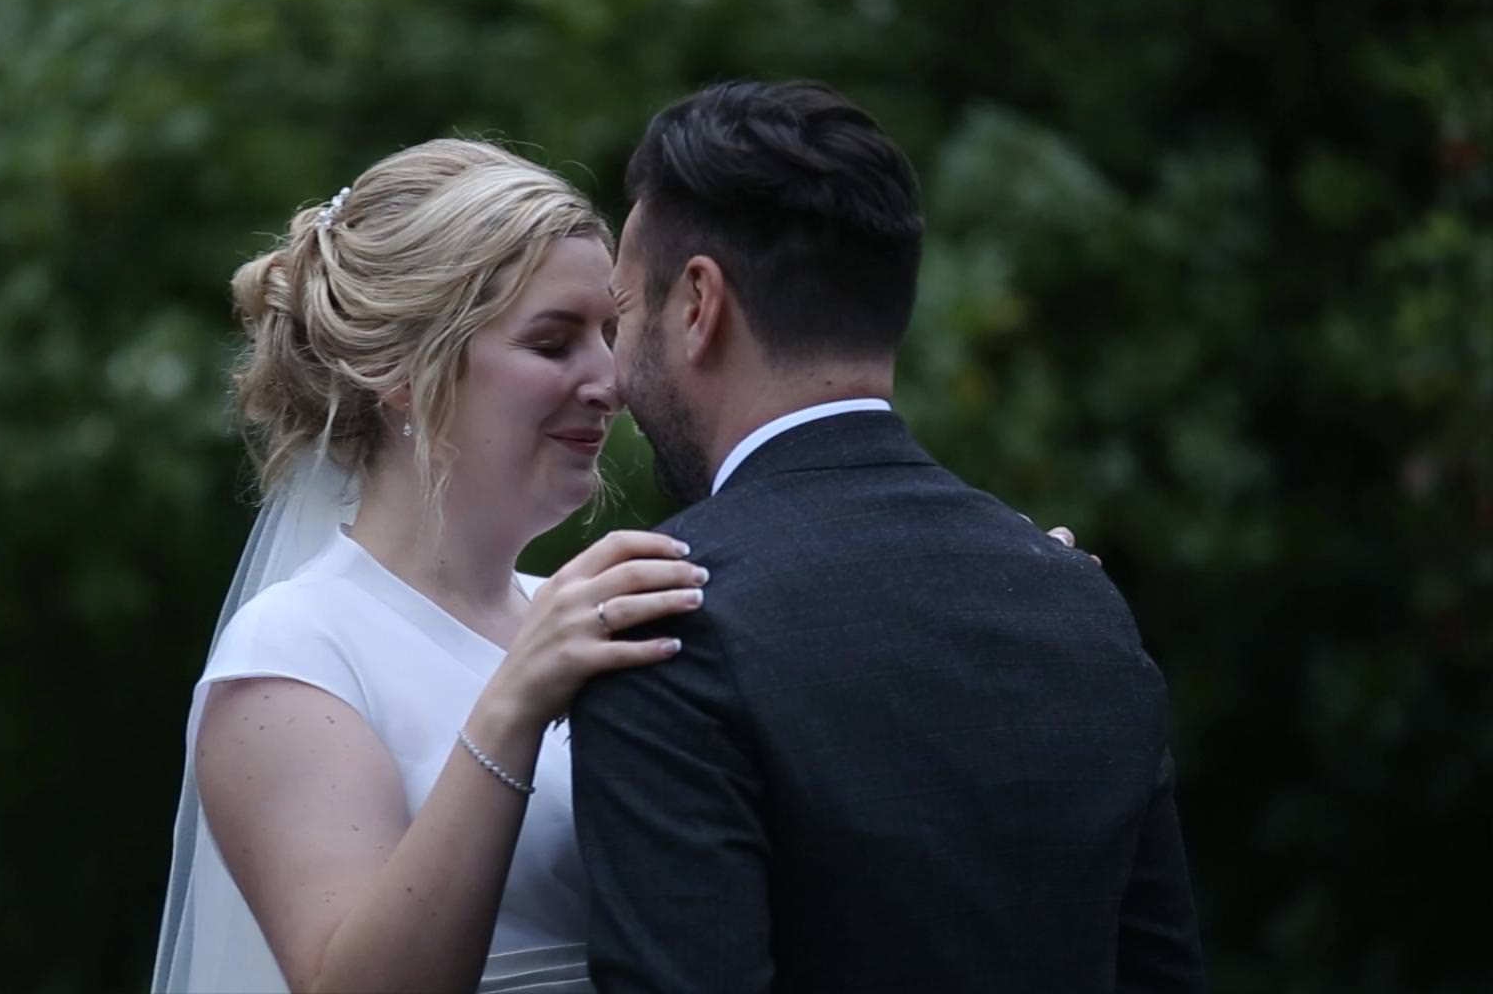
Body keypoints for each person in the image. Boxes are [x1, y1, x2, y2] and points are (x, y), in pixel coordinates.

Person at [569, 79, 1205, 992]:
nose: (616, 377)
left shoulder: (670, 622)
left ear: (699, 302)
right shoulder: (1078, 599)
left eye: (623, 316)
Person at [151, 138, 709, 993]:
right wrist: (513, 703)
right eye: (554, 342)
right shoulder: (294, 654)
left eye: (608, 333)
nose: (611, 381)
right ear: (401, 371)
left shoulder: (564, 613)